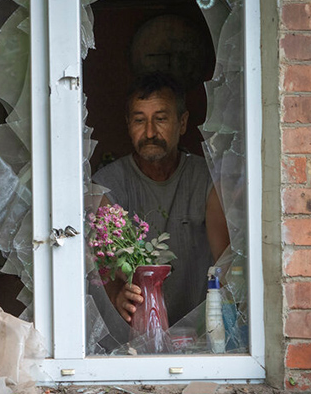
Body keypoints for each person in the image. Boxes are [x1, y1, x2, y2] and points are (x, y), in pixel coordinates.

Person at [92, 72, 230, 325]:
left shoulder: (207, 180)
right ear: (128, 124)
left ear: (183, 122)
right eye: (139, 120)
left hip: (200, 331)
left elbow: (225, 267)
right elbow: (105, 267)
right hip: (132, 333)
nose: (150, 132)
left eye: (161, 119)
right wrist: (116, 294)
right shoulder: (108, 185)